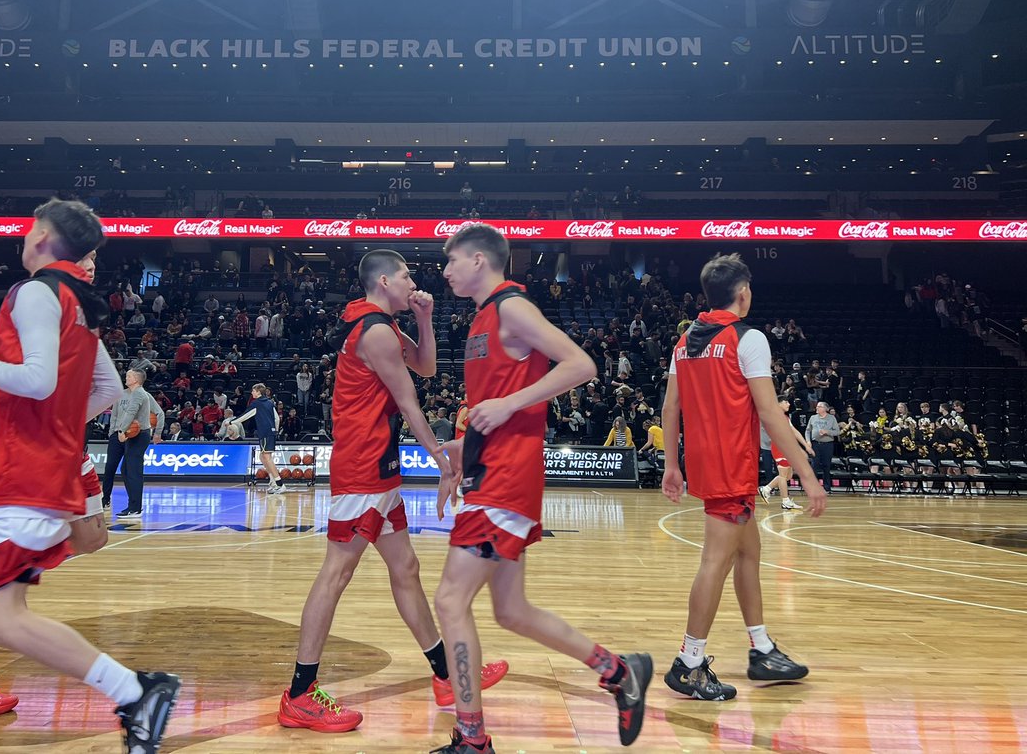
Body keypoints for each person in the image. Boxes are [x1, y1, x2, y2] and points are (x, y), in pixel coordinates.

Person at [0, 198, 180, 754]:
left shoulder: (34, 291)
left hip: (25, 476)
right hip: (40, 470)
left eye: (31, 227)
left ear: (45, 237)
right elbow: (103, 390)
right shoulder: (81, 302)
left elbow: (38, 380)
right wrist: (54, 429)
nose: (25, 236)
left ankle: (134, 690)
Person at [433, 225, 651, 754]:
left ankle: (471, 739)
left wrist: (511, 406)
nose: (444, 271)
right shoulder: (483, 317)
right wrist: (462, 453)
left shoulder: (511, 308)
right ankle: (619, 671)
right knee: (511, 611)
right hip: (492, 472)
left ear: (480, 260)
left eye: (451, 261)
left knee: (450, 599)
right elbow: (491, 402)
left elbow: (581, 364)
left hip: (507, 479)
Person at [277, 250, 506, 735]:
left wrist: (424, 317)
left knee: (405, 568)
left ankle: (446, 678)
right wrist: (445, 463)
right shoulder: (376, 331)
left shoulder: (382, 324)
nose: (413, 281)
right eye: (406, 276)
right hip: (362, 468)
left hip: (378, 468)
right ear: (384, 280)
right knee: (336, 573)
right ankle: (299, 694)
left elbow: (424, 366)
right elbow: (410, 402)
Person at [660, 253, 827, 703]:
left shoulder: (686, 342)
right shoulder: (747, 338)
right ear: (743, 292)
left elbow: (670, 407)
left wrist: (671, 465)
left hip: (705, 460)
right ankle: (689, 663)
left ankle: (762, 648)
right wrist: (808, 476)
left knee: (749, 552)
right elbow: (771, 414)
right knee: (716, 560)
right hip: (731, 464)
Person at [101, 369, 153, 519]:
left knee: (133, 472)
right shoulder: (134, 393)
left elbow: (131, 411)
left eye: (129, 375)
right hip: (135, 434)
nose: (126, 377)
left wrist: (122, 430)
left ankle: (135, 508)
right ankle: (133, 506)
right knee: (126, 470)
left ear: (136, 379)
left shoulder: (138, 393)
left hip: (138, 435)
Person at [757, 398, 813, 510]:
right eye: (786, 402)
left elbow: (794, 432)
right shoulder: (775, 416)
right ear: (779, 404)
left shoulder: (785, 417)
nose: (789, 404)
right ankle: (785, 501)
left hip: (786, 447)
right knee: (783, 476)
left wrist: (805, 445)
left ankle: (766, 489)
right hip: (780, 447)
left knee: (788, 476)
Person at [232, 383, 285, 494]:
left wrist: (232, 422)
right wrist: (274, 430)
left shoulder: (257, 403)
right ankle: (273, 481)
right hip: (269, 432)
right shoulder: (270, 402)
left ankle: (280, 484)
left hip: (265, 432)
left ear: (258, 392)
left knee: (267, 457)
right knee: (262, 456)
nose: (252, 393)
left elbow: (245, 415)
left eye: (253, 391)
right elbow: (276, 418)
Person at [804, 400, 840, 493]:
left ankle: (827, 487)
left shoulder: (831, 418)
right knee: (814, 465)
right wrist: (808, 441)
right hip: (815, 444)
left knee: (826, 466)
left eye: (819, 406)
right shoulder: (813, 417)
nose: (817, 408)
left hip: (827, 445)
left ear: (825, 409)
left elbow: (837, 432)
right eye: (817, 407)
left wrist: (827, 432)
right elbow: (807, 430)